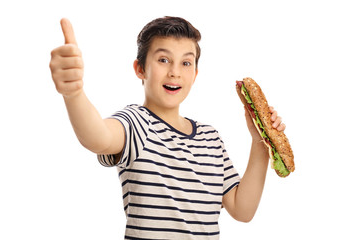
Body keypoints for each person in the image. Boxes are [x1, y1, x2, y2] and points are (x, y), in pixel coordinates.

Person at [49, 16, 286, 240]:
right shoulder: (136, 123)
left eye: (186, 63)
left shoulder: (211, 138)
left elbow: (242, 210)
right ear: (140, 68)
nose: (175, 71)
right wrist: (73, 93)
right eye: (163, 60)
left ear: (194, 74)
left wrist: (260, 143)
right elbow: (97, 136)